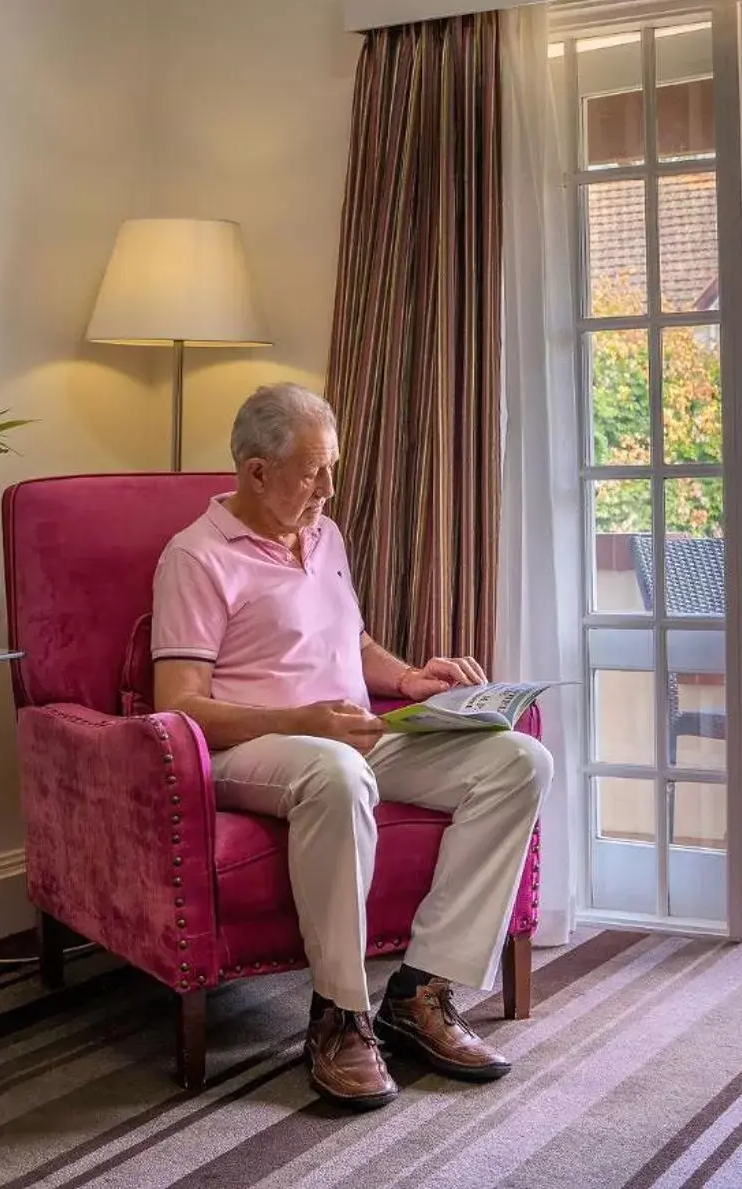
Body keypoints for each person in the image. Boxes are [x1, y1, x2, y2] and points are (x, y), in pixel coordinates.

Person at [151, 382, 553, 1112]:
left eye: (331, 467)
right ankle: (340, 1015)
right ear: (256, 471)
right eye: (313, 472)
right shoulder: (196, 556)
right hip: (259, 750)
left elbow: (350, 642)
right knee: (336, 771)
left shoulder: (324, 536)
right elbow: (177, 705)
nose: (330, 489)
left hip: (351, 733)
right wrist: (302, 720)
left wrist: (410, 678)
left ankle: (421, 991)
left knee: (519, 760)